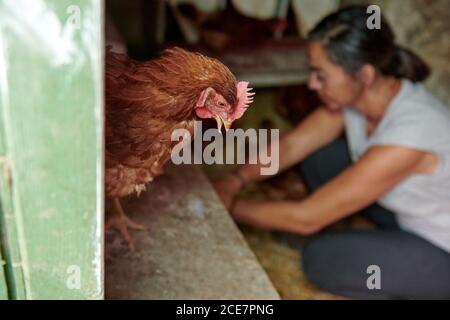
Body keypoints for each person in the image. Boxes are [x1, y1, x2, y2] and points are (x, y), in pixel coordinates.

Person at [213, 6, 450, 299]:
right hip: (411, 210)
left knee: (322, 258)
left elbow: (307, 218)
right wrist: (236, 180)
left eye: (320, 75)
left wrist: (224, 207)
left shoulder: (411, 133)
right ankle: (361, 236)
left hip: (441, 247)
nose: (312, 84)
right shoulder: (362, 98)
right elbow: (292, 145)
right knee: (320, 157)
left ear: (363, 75)